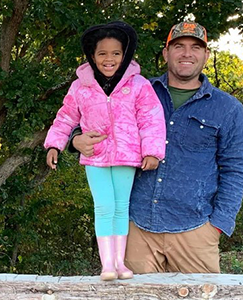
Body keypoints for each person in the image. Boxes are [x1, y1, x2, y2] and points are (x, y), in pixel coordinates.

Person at [70, 21, 243, 274]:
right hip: (137, 229)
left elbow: (236, 169)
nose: (187, 53)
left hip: (195, 231)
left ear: (206, 55)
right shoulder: (135, 88)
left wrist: (218, 224)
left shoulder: (228, 108)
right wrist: (75, 138)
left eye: (195, 47)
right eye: (178, 46)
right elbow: (96, 115)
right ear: (166, 52)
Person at [44, 21, 166, 280]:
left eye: (115, 53)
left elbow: (151, 118)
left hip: (127, 155)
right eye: (102, 53)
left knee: (121, 207)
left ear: (125, 55)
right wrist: (55, 143)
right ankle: (107, 264)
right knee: (103, 207)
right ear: (92, 56)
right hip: (95, 156)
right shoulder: (81, 87)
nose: (109, 59)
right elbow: (66, 116)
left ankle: (120, 263)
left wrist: (152, 151)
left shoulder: (139, 85)